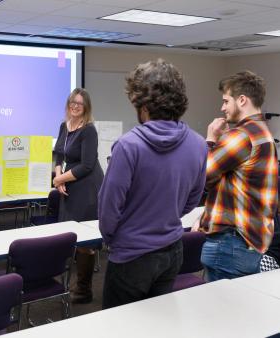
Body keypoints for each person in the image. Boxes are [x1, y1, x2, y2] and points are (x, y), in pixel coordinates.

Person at [98, 59, 208, 309]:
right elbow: (193, 199)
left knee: (118, 326)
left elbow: (108, 208)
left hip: (130, 255)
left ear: (143, 105)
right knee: (157, 324)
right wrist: (163, 214)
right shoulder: (198, 143)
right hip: (171, 251)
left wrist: (113, 238)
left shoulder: (128, 146)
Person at [196, 71, 278, 281]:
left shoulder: (241, 135)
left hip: (230, 243)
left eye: (226, 101)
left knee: (221, 310)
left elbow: (200, 176)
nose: (222, 108)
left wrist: (210, 140)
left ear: (242, 100)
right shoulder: (264, 134)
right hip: (251, 240)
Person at [53, 88, 104, 303]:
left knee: (84, 240)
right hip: (69, 182)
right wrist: (58, 174)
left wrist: (61, 179)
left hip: (86, 187)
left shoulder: (89, 130)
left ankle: (84, 290)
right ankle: (74, 283)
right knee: (69, 232)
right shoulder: (64, 126)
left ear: (86, 107)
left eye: (80, 104)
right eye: (72, 102)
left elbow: (87, 165)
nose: (75, 106)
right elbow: (57, 153)